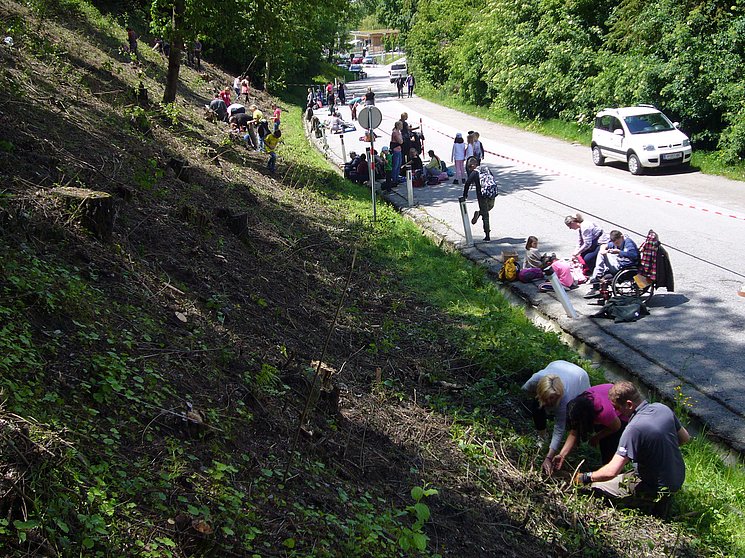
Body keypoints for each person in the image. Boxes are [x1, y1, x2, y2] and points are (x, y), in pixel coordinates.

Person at [574, 381, 690, 518]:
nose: (615, 412)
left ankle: (649, 502)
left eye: (616, 408)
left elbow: (611, 471)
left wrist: (585, 477)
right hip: (677, 477)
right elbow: (685, 438)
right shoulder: (662, 408)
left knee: (596, 486)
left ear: (629, 404)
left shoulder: (634, 428)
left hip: (654, 486)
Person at [522, 360, 591, 476]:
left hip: (579, 377)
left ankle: (573, 446)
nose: (549, 402)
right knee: (537, 406)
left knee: (575, 418)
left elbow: (559, 427)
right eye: (547, 398)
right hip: (558, 364)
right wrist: (543, 404)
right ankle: (542, 436)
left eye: (553, 399)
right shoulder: (535, 380)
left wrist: (549, 457)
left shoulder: (566, 397)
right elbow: (525, 390)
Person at [552, 384, 628, 470]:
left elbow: (616, 426)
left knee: (608, 443)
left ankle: (610, 469)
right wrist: (562, 455)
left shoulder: (604, 412)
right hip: (607, 401)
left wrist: (597, 437)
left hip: (623, 415)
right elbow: (574, 433)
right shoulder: (580, 404)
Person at [586, 230, 639, 296]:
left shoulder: (629, 243)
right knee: (602, 252)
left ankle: (598, 275)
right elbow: (604, 245)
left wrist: (619, 252)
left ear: (622, 237)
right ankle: (598, 277)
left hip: (625, 265)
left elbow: (634, 255)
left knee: (603, 254)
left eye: (617, 243)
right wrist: (603, 249)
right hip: (620, 261)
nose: (616, 245)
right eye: (615, 243)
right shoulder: (617, 242)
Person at [462, 157, 494, 241]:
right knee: (490, 207)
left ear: (473, 165)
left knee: (485, 215)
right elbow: (492, 178)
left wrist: (465, 195)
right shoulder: (486, 169)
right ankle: (480, 213)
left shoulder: (475, 173)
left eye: (469, 167)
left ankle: (487, 235)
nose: (469, 169)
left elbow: (467, 183)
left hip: (482, 195)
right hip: (491, 193)